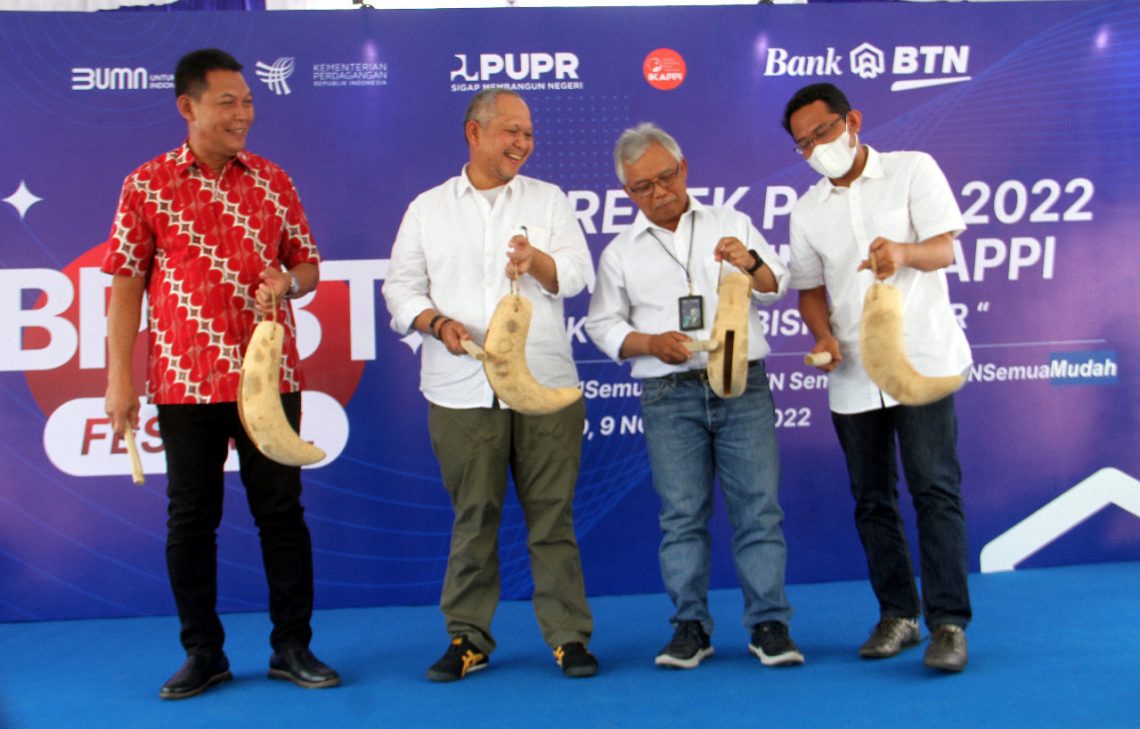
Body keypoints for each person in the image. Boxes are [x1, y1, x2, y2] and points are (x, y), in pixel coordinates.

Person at [102, 48, 338, 699]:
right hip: (183, 379)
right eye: (227, 102)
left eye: (248, 101)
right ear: (188, 107)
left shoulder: (272, 179)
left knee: (282, 514)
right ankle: (203, 652)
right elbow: (125, 287)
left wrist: (289, 280)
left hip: (269, 376)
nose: (243, 114)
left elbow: (309, 266)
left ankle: (293, 646)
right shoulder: (146, 183)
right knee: (190, 519)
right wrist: (118, 378)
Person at [381, 88, 598, 681]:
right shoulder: (428, 208)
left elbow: (577, 276)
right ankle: (467, 637)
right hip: (459, 387)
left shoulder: (548, 200)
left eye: (528, 133)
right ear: (474, 133)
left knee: (552, 517)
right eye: (511, 132)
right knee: (474, 515)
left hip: (545, 385)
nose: (522, 144)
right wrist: (437, 323)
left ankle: (568, 637)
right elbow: (400, 289)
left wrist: (538, 261)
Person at [586, 123, 803, 670]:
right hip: (668, 391)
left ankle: (769, 624)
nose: (659, 193)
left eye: (666, 177)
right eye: (643, 187)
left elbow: (777, 283)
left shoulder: (730, 222)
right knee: (680, 515)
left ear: (684, 169)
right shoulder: (619, 252)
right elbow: (602, 325)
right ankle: (690, 627)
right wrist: (651, 342)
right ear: (627, 192)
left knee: (759, 508)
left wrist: (749, 262)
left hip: (741, 382)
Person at [783, 82, 972, 673]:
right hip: (855, 376)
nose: (816, 147)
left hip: (920, 363)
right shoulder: (807, 209)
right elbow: (810, 290)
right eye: (803, 143)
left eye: (823, 132)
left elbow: (944, 248)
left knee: (935, 490)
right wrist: (822, 336)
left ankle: (947, 624)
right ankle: (898, 615)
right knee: (872, 500)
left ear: (852, 121)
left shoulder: (912, 170)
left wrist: (903, 253)